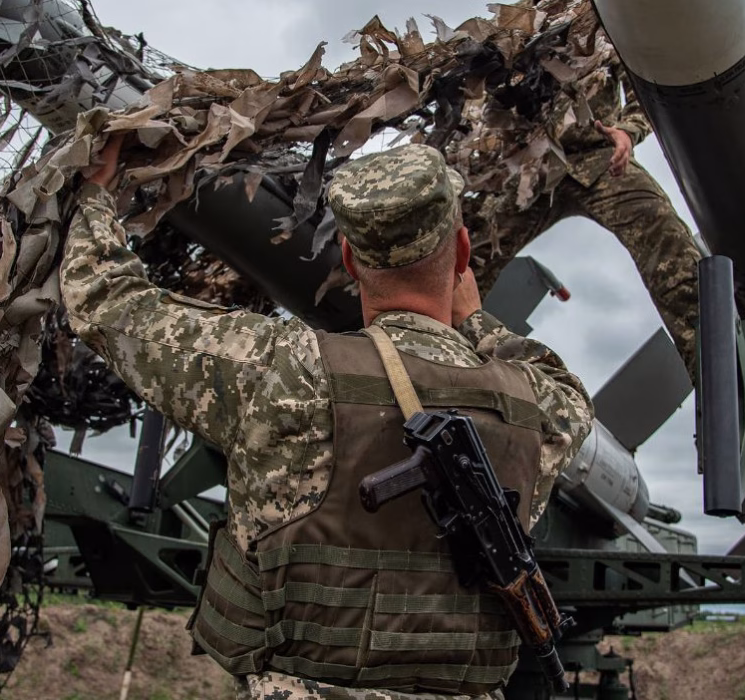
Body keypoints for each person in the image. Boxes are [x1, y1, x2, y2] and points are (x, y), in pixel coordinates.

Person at [60, 140, 593, 700]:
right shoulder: (542, 406)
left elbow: (106, 300)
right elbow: (565, 388)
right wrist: (477, 320)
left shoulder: (277, 368)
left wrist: (96, 192)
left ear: (347, 259)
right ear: (462, 253)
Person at [483, 1, 704, 378]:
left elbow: (644, 96)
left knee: (669, 244)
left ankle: (716, 377)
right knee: (472, 249)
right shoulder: (523, 25)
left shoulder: (609, 24)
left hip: (602, 161)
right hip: (534, 171)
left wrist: (627, 132)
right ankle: (435, 358)